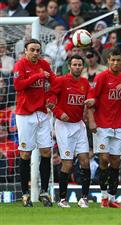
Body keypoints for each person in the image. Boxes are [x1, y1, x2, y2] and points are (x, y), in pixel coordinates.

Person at [85, 48, 121, 208]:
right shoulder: (101, 77)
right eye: (113, 60)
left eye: (118, 60)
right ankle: (103, 197)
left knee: (116, 161)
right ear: (108, 61)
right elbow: (90, 98)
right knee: (103, 159)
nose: (116, 63)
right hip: (101, 125)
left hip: (117, 126)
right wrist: (91, 121)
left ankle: (111, 198)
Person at [13, 39, 55, 207]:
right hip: (25, 114)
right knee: (25, 154)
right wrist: (37, 76)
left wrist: (52, 98)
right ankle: (25, 194)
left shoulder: (44, 64)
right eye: (32, 50)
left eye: (38, 50)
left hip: (43, 114)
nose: (36, 53)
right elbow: (18, 85)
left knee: (46, 152)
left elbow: (54, 83)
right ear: (25, 51)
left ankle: (44, 192)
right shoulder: (20, 65)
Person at [47, 55, 91, 208]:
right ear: (69, 66)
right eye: (75, 64)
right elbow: (49, 100)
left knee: (85, 160)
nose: (77, 67)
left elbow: (91, 97)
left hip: (79, 125)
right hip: (63, 126)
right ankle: (62, 199)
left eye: (80, 64)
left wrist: (93, 100)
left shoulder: (85, 83)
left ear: (83, 67)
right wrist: (59, 113)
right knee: (67, 163)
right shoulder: (61, 81)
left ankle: (84, 198)